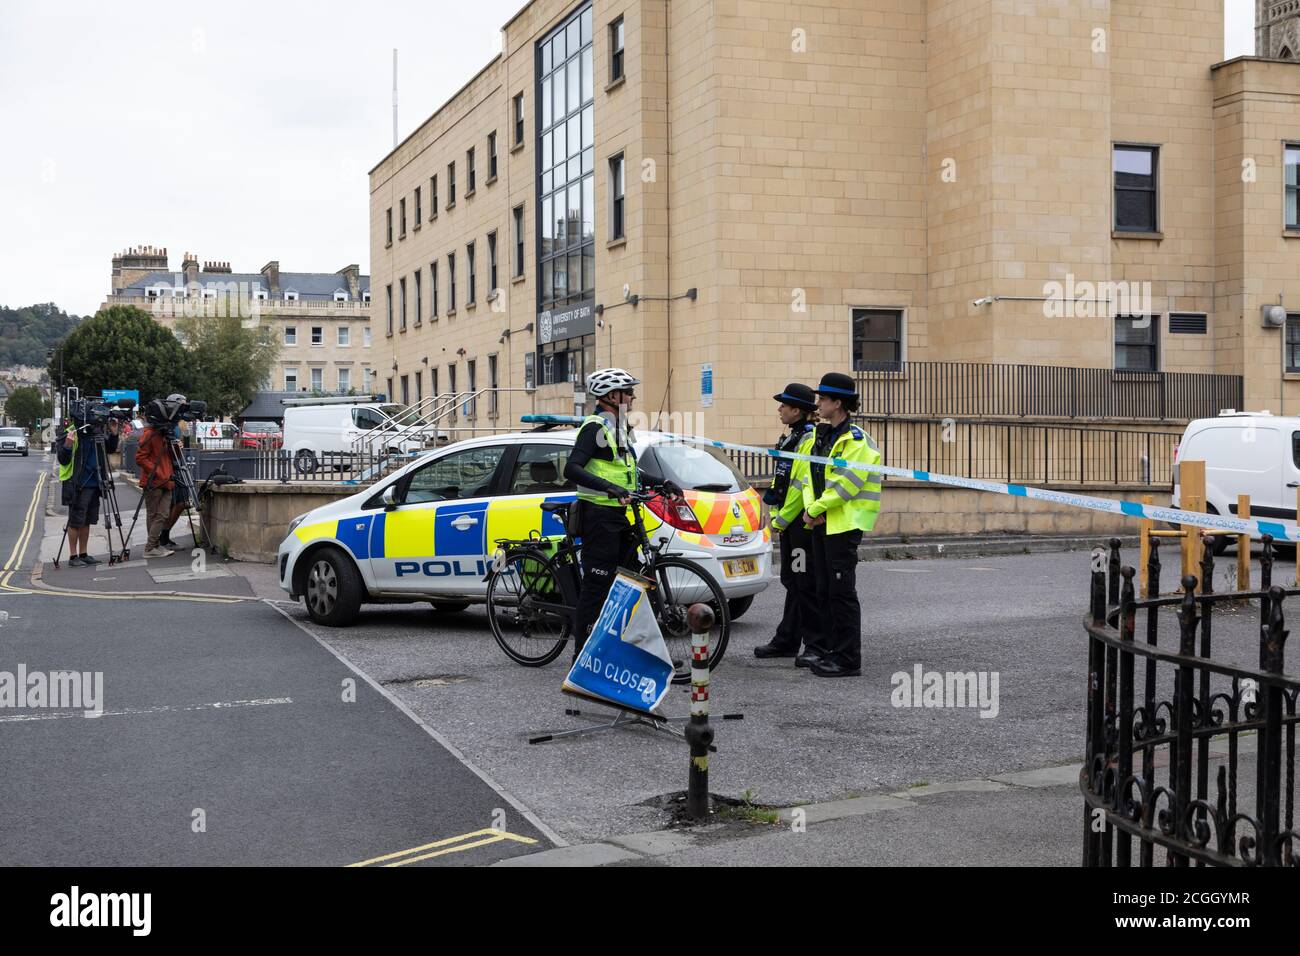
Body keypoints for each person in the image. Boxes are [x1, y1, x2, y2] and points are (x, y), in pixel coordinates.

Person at [801, 372, 882, 678]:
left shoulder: (857, 442)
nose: (818, 403)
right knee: (823, 589)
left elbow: (845, 486)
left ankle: (848, 659)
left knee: (841, 593)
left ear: (839, 403)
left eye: (823, 398)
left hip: (844, 525)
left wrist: (817, 508)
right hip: (821, 521)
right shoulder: (819, 437)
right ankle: (830, 651)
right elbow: (809, 476)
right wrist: (812, 508)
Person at [563, 367, 642, 660]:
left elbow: (627, 472)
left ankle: (627, 647)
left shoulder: (618, 428)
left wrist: (664, 483)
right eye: (627, 391)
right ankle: (581, 655)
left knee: (630, 581)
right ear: (611, 395)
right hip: (597, 517)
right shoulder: (594, 427)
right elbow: (572, 468)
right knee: (596, 585)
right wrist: (610, 489)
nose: (632, 396)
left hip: (619, 517)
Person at [754, 383, 822, 662]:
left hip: (800, 524)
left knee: (803, 582)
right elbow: (781, 479)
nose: (779, 409)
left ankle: (814, 644)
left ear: (798, 410)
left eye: (784, 405)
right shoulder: (793, 436)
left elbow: (798, 486)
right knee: (793, 580)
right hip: (791, 522)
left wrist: (781, 518)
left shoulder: (808, 438)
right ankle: (788, 639)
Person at [57, 416, 121, 567]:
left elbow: (110, 449)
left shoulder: (96, 433)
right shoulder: (71, 432)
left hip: (95, 483)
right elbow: (63, 459)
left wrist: (114, 433)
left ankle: (83, 554)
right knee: (75, 521)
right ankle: (73, 557)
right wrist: (68, 444)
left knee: (87, 521)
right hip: (78, 483)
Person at [135, 398, 181, 559]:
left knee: (161, 515)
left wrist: (175, 446)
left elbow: (171, 458)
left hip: (166, 480)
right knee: (156, 515)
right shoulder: (150, 434)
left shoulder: (163, 434)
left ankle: (153, 546)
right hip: (155, 481)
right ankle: (151, 547)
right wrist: (158, 473)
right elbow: (140, 458)